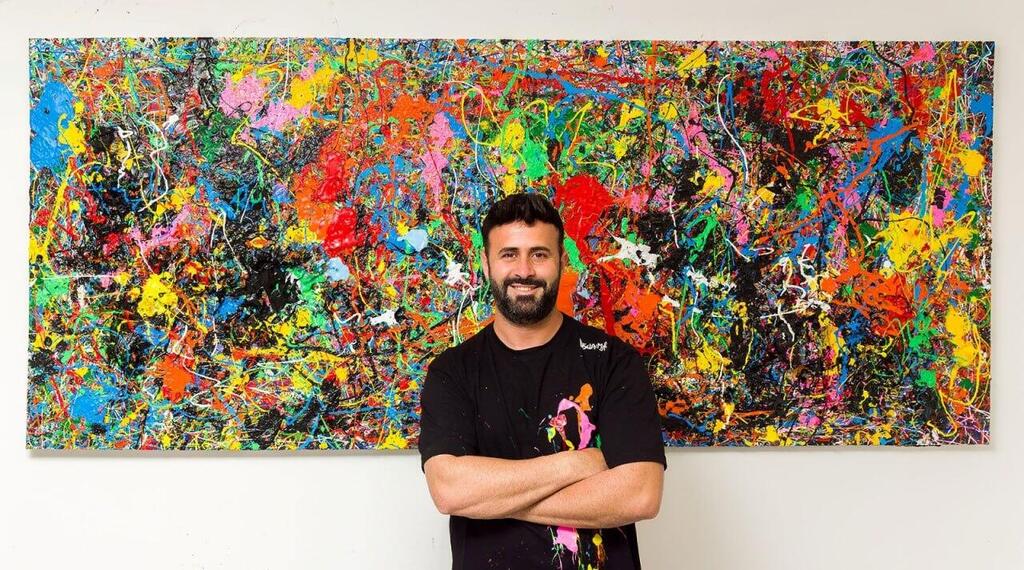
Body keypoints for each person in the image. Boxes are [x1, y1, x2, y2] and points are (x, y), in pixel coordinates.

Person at [419, 192, 667, 569]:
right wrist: (577, 465)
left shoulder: (613, 361)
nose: (524, 270)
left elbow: (640, 495)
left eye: (539, 254)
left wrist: (492, 499)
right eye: (509, 254)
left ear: (562, 261)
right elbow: (450, 491)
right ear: (486, 263)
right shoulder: (452, 372)